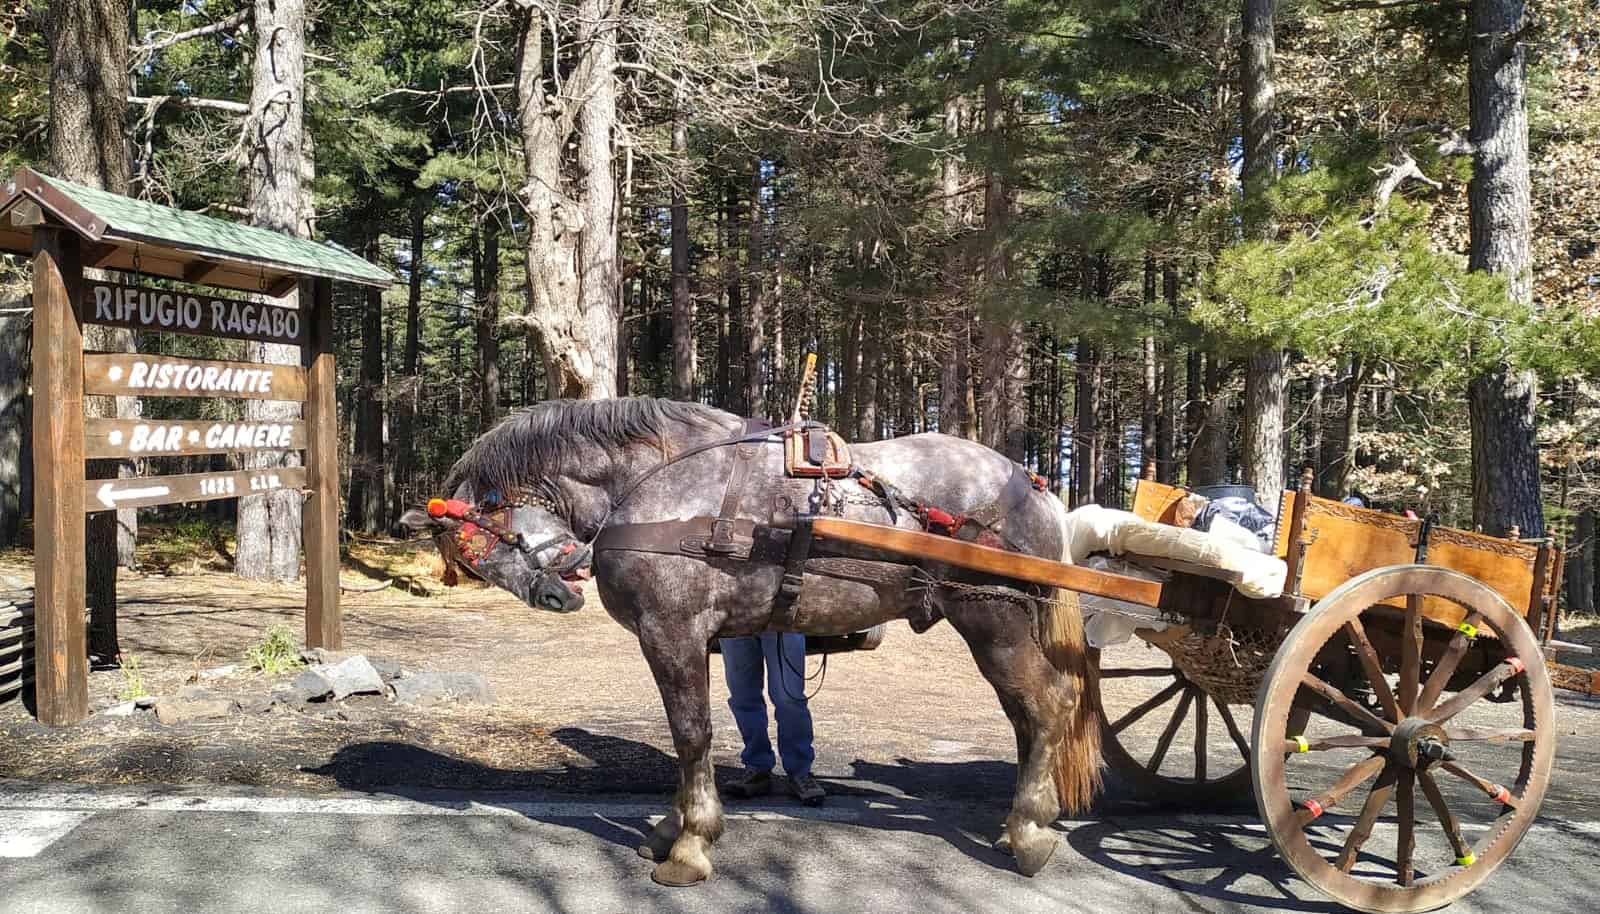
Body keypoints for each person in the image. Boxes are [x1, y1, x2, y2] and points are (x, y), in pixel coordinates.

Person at [719, 632, 825, 806]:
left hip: (781, 617)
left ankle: (800, 772)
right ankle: (757, 767)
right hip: (735, 617)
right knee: (742, 695)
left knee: (789, 697)